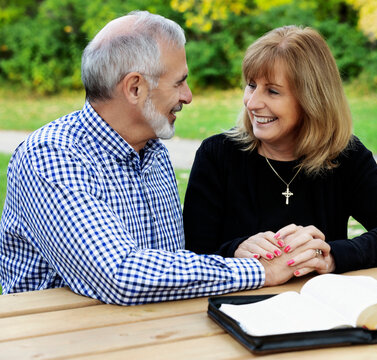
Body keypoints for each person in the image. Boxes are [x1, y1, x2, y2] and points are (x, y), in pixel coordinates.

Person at [0, 11, 308, 305]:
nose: (188, 96)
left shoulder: (152, 151)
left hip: (150, 330)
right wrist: (259, 271)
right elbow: (118, 275)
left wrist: (245, 251)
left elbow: (173, 266)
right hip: (60, 340)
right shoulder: (51, 157)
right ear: (135, 87)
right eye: (179, 82)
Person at [183, 25, 377, 276]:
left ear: (312, 100)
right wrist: (235, 249)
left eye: (273, 91)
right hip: (238, 305)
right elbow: (191, 254)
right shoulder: (217, 154)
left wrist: (331, 256)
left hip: (319, 305)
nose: (252, 103)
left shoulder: (344, 156)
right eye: (251, 85)